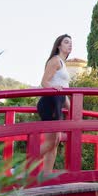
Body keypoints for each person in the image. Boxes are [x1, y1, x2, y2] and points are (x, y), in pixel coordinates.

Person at [37, 34, 72, 174]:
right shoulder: (56, 61)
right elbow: (44, 82)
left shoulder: (63, 64)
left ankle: (46, 175)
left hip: (58, 101)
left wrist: (73, 109)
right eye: (66, 42)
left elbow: (64, 89)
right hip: (49, 102)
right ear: (59, 45)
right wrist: (53, 88)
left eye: (71, 43)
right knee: (51, 141)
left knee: (56, 140)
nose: (70, 45)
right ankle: (20, 167)